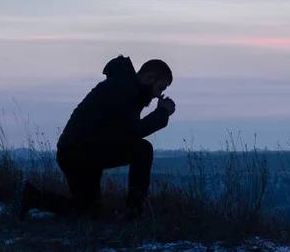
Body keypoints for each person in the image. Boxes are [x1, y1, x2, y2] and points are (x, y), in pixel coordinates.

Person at [11, 55, 177, 221]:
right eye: (160, 88)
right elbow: (131, 133)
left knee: (87, 212)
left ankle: (32, 196)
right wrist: (162, 113)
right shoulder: (125, 90)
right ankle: (133, 213)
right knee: (143, 150)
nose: (158, 95)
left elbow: (122, 132)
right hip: (82, 152)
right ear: (150, 78)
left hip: (80, 151)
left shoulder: (126, 87)